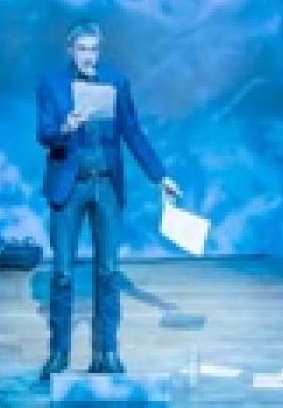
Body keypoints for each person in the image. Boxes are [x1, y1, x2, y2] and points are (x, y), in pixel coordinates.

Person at [36, 22, 182, 380]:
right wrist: (65, 128)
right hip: (69, 187)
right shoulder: (51, 84)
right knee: (63, 274)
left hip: (106, 186)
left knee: (108, 272)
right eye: (83, 48)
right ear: (70, 49)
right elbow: (44, 134)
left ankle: (107, 353)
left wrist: (159, 175)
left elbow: (132, 131)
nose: (89, 55)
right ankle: (58, 354)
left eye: (94, 49)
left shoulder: (116, 82)